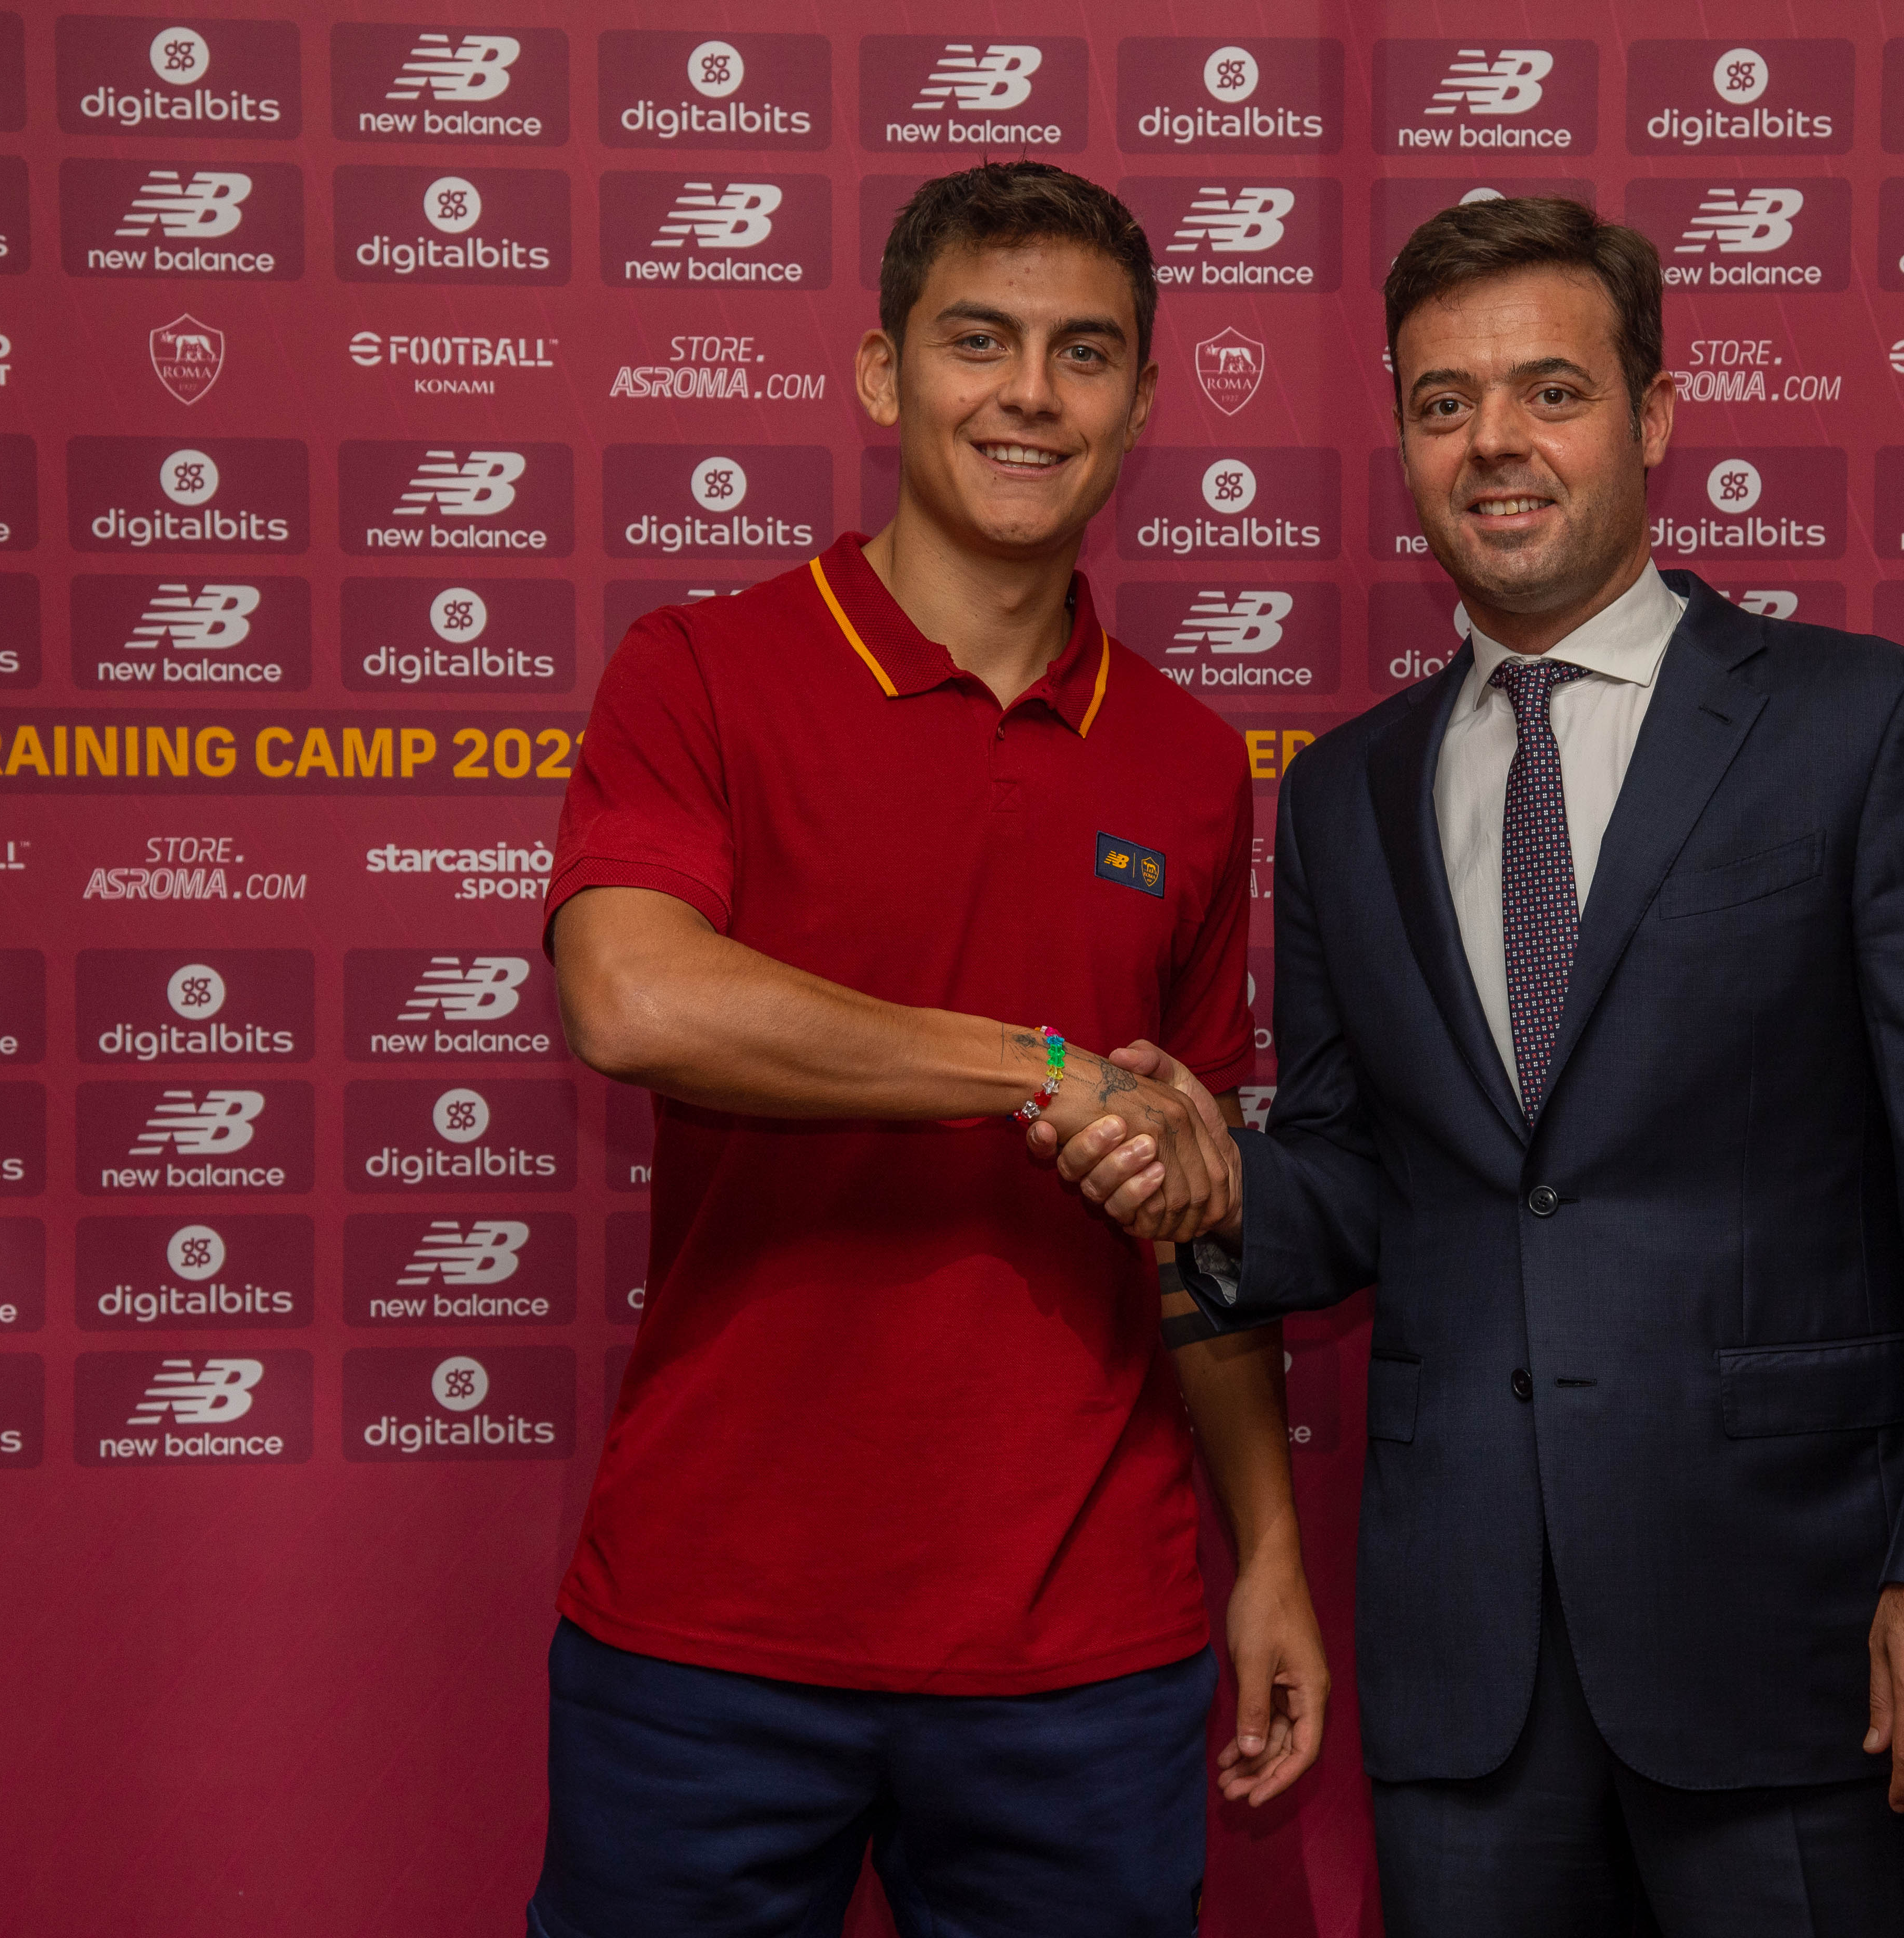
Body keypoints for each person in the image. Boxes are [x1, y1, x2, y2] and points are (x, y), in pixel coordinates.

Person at [1049, 196, 1904, 1935]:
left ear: (1654, 418)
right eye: (1443, 403)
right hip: (1472, 1681)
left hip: (1801, 1644)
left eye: (1549, 391)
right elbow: (1367, 1176)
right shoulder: (1348, 794)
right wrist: (1202, 1163)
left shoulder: (1864, 725)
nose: (1494, 443)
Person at [528, 162, 1325, 1938]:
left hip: (1080, 1645)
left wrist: (1264, 1549)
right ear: (886, 373)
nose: (1030, 394)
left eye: (1085, 354)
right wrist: (1042, 1069)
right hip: (711, 1627)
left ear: (1140, 400)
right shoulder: (703, 669)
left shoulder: (1189, 764)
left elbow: (1187, 1207)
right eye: (980, 340)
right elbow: (631, 997)